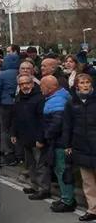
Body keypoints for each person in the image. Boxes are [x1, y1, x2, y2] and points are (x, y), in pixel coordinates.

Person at [41, 75, 76, 213]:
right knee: (61, 169)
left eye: (42, 86)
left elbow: (58, 122)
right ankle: (65, 197)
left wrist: (48, 134)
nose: (41, 88)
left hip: (60, 141)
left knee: (62, 170)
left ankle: (68, 200)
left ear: (49, 87)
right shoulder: (60, 96)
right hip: (60, 140)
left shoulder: (57, 100)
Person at [10, 73, 49, 200]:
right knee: (30, 164)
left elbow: (42, 121)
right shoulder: (18, 98)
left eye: (27, 83)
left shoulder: (39, 98)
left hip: (36, 137)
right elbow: (15, 117)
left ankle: (44, 189)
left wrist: (40, 138)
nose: (24, 86)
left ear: (32, 83)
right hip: (24, 136)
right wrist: (14, 133)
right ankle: (34, 186)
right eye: (21, 84)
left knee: (40, 165)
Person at [63, 73, 96, 220]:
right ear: (77, 85)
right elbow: (67, 125)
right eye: (82, 83)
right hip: (80, 145)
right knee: (88, 181)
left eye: (87, 82)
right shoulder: (71, 103)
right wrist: (68, 144)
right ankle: (92, 210)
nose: (85, 85)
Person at [0, 52, 21, 166]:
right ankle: (19, 154)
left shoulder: (1, 75)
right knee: (17, 129)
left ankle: (9, 153)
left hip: (5, 104)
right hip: (18, 104)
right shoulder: (19, 73)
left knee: (5, 129)